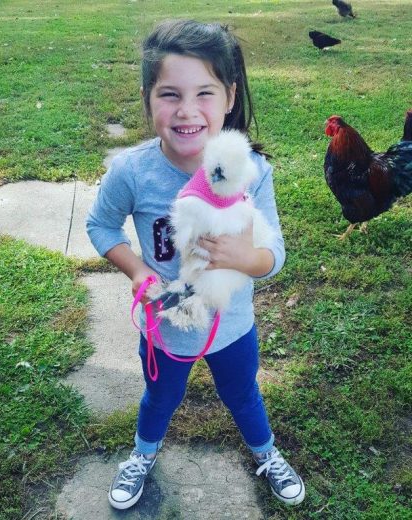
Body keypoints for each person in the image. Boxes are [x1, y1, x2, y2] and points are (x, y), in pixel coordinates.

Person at [86, 19, 305, 510]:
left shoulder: (253, 172)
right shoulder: (132, 171)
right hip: (165, 328)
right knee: (159, 399)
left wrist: (247, 258)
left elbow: (275, 254)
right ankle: (142, 455)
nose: (187, 111)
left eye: (204, 93)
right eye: (169, 94)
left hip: (232, 326)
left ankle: (266, 453)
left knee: (243, 394)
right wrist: (139, 271)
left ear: (229, 97)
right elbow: (100, 227)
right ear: (147, 97)